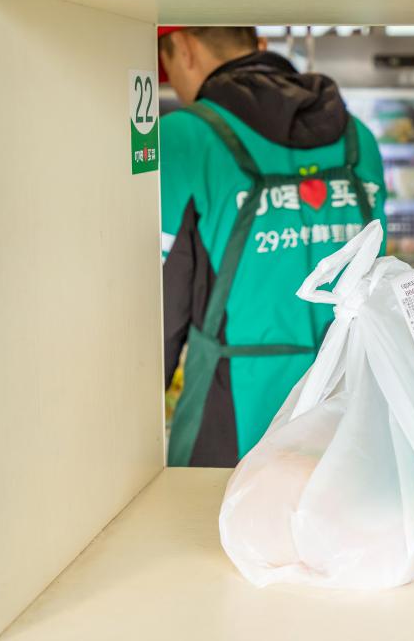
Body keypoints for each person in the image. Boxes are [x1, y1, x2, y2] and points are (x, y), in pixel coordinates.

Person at [158, 26, 386, 467]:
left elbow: (164, 307)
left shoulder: (182, 138)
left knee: (212, 532)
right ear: (259, 45)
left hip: (227, 429)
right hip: (347, 419)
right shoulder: (358, 138)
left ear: (183, 48)